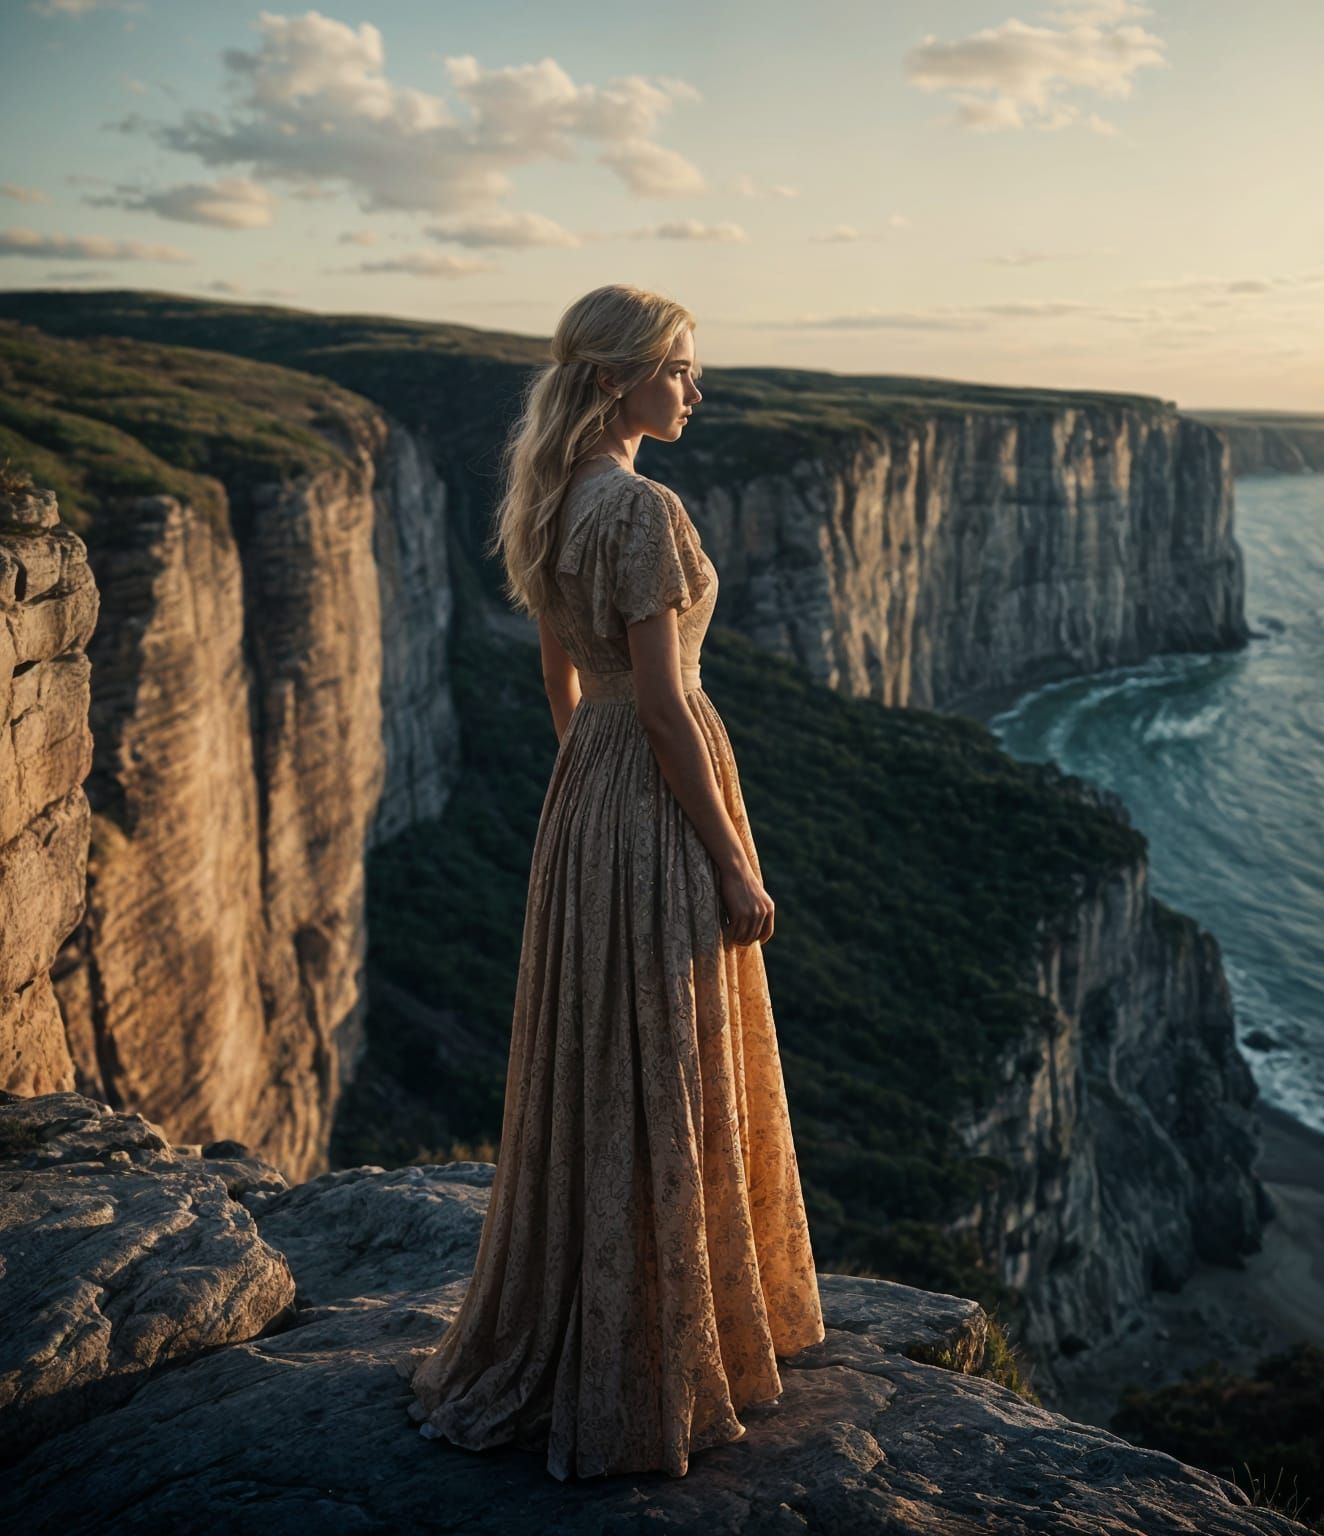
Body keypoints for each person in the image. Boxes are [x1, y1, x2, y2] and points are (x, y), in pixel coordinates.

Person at [406, 283, 826, 1480]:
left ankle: (598, 1317)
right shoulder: (641, 510)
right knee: (671, 1051)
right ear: (615, 379)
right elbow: (663, 703)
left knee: (604, 1050)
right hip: (654, 787)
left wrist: (581, 781)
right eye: (679, 367)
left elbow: (562, 669)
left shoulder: (552, 493)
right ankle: (654, 1352)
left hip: (591, 786)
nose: (696, 387)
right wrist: (732, 861)